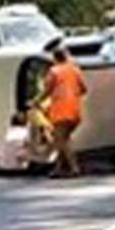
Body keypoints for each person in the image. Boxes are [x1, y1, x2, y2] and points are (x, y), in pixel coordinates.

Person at [42, 45, 87, 178]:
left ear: (55, 58)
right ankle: (58, 169)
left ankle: (74, 168)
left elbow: (47, 90)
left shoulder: (54, 71)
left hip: (61, 110)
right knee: (62, 139)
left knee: (62, 140)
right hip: (74, 110)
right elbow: (84, 89)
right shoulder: (75, 70)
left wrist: (36, 101)